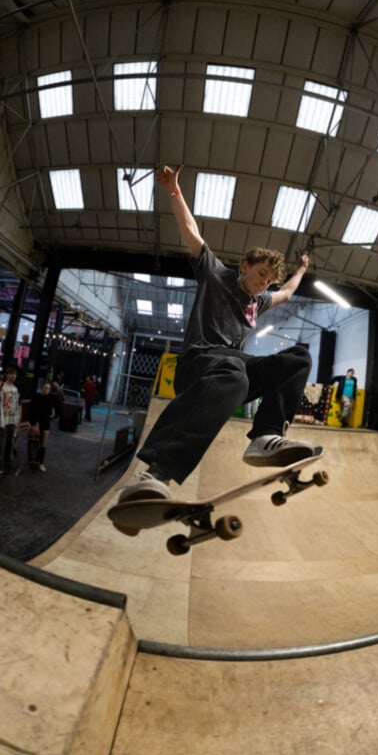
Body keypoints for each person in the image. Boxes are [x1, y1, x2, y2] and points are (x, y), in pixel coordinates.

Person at [119, 164, 314, 503]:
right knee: (234, 372)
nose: (263, 283)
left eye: (269, 280)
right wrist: (174, 190)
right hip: (197, 364)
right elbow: (190, 230)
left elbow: (289, 293)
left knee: (298, 358)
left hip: (228, 372)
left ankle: (266, 436)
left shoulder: (260, 301)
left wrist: (301, 270)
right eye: (261, 274)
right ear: (245, 266)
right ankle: (155, 473)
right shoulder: (215, 273)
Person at [28, 381, 53, 472]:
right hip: (35, 422)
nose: (46, 390)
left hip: (45, 423)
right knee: (33, 442)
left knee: (43, 444)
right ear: (42, 387)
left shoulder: (50, 399)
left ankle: (41, 462)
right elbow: (32, 411)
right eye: (45, 387)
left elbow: (48, 413)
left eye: (48, 388)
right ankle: (32, 460)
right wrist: (34, 423)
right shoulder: (36, 397)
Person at [1, 365, 21, 473]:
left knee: (9, 444)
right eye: (11, 374)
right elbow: (1, 405)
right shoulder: (3, 387)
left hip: (12, 421)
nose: (13, 376)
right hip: (4, 420)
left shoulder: (15, 389)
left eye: (14, 374)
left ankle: (7, 466)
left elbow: (16, 406)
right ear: (6, 375)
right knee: (2, 444)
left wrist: (17, 422)